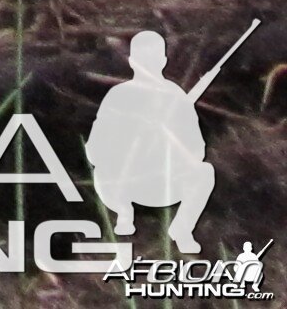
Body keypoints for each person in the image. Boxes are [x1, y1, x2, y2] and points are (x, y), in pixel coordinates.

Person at [88, 27, 225, 254]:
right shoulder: (118, 96)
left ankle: (182, 229)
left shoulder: (175, 95)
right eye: (143, 59)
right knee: (101, 173)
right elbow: (95, 147)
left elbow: (197, 148)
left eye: (153, 59)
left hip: (165, 179)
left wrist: (169, 138)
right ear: (131, 61)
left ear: (163, 60)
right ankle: (123, 216)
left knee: (204, 172)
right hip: (125, 181)